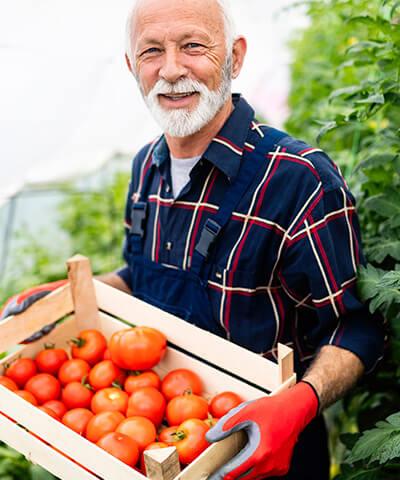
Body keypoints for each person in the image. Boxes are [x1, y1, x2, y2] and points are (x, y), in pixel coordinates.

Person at [1, 0, 384, 478]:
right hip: (156, 436)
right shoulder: (146, 167)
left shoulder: (299, 179)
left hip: (263, 453)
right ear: (131, 67)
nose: (171, 69)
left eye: (193, 46)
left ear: (235, 57)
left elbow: (354, 327)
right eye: (151, 52)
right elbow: (141, 276)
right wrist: (72, 295)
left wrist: (300, 403)